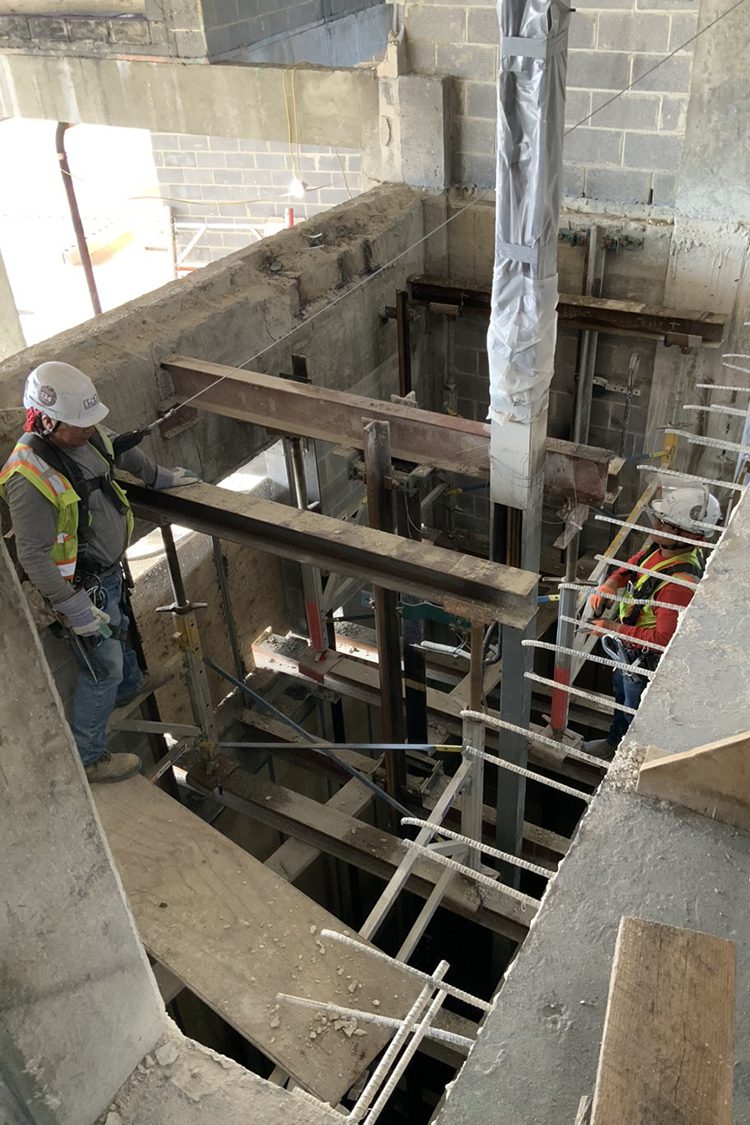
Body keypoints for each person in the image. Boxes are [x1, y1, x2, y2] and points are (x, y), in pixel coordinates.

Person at [0, 361, 199, 783]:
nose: (91, 429)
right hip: (81, 587)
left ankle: (128, 688)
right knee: (101, 664)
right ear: (47, 420)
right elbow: (33, 555)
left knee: (121, 628)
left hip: (107, 573)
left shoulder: (85, 432)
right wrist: (72, 607)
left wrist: (160, 477)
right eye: (81, 424)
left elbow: (121, 448)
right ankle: (89, 758)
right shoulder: (28, 476)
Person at [582, 485, 721, 757]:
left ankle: (625, 755)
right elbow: (638, 560)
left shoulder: (678, 585)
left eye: (664, 523)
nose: (655, 525)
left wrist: (611, 628)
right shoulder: (666, 550)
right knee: (621, 699)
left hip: (641, 661)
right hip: (628, 650)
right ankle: (613, 742)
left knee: (632, 710)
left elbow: (664, 640)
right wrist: (613, 582)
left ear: (688, 534)